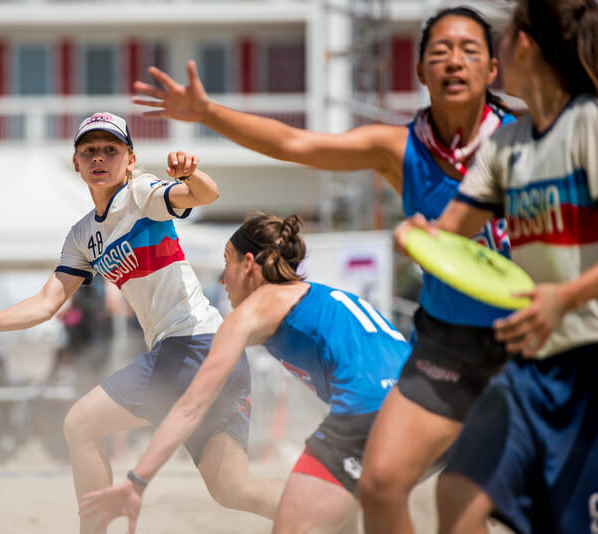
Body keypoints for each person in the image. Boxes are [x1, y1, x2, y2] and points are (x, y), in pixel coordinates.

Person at [132, 7, 516, 533]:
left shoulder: (527, 142)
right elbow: (297, 144)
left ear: (494, 68)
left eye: (469, 50)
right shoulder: (399, 147)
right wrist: (206, 113)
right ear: (420, 72)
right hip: (445, 353)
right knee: (390, 491)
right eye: (439, 52)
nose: (454, 62)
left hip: (530, 343)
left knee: (473, 501)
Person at [0, 112, 283, 533]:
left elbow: (207, 195)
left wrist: (191, 177)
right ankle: (334, 513)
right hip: (216, 350)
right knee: (232, 489)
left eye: (111, 149)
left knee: (80, 425)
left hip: (192, 346)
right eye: (89, 150)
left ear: (130, 159)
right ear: (76, 164)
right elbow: (47, 302)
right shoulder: (82, 235)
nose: (99, 158)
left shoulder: (141, 193)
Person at [394, 1, 598, 532]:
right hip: (532, 365)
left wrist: (565, 297)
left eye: (500, 38)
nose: (495, 49)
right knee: (458, 492)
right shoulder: (507, 145)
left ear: (522, 47)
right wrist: (418, 236)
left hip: (587, 359)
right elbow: (452, 228)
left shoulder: (588, 125)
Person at [79, 211, 412, 534]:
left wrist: (137, 481)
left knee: (293, 523)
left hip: (369, 409)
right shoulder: (322, 296)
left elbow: (191, 406)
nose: (223, 278)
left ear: (249, 264)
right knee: (339, 513)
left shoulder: (254, 310)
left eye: (228, 262)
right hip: (425, 400)